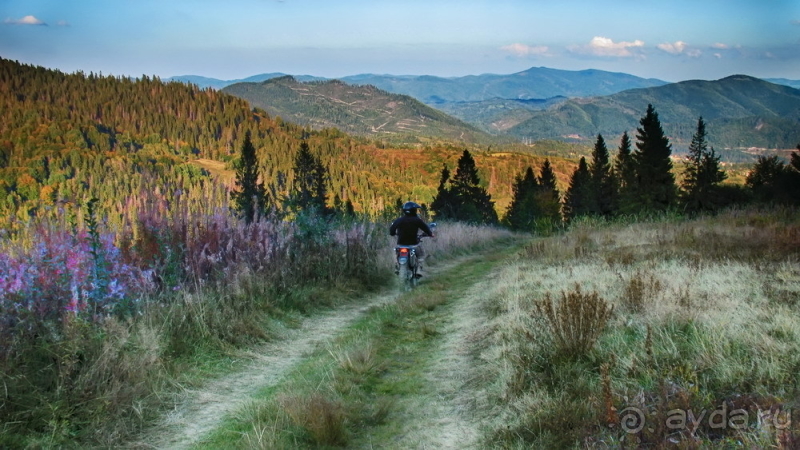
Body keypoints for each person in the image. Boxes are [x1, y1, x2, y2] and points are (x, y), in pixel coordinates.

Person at [390, 201, 434, 272]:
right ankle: (419, 270)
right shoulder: (417, 220)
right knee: (421, 255)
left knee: (395, 254)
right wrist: (430, 234)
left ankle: (396, 266)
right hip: (413, 244)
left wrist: (393, 233)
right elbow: (425, 228)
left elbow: (392, 230)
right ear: (414, 211)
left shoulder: (399, 220)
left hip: (401, 244)